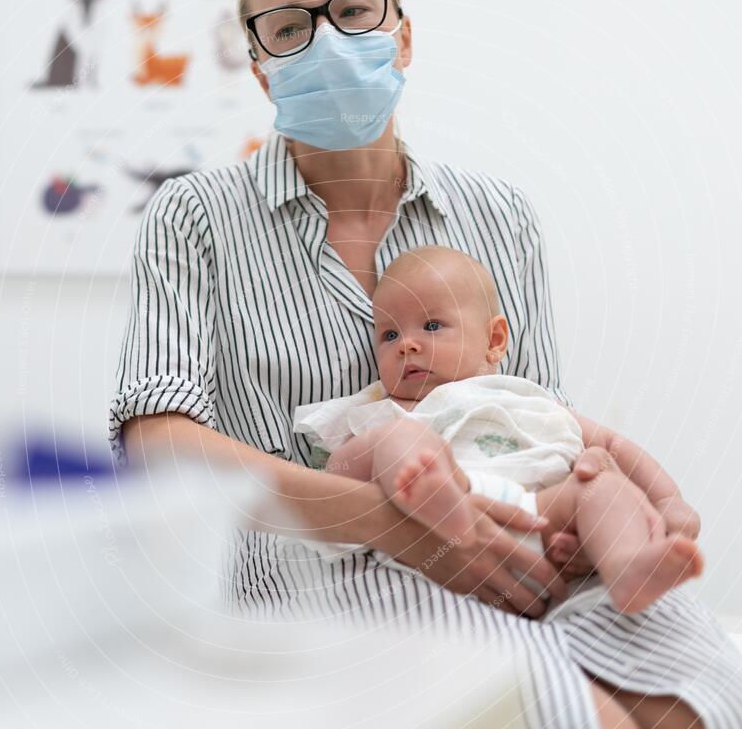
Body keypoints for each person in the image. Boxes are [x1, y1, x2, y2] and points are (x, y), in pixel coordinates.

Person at [110, 0, 742, 729]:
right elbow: (157, 441)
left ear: (402, 31)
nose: (328, 40)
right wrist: (384, 521)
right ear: (260, 63)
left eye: (352, 9)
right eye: (288, 26)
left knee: (706, 719)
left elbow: (536, 414)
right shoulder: (194, 216)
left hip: (515, 528)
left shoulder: (501, 215)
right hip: (323, 572)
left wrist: (599, 510)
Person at [292, 245, 704, 615]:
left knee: (605, 489)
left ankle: (628, 567)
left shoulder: (528, 396)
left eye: (432, 326)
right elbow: (335, 475)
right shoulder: (386, 408)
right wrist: (382, 445)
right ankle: (441, 498)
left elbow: (612, 443)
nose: (406, 345)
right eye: (389, 334)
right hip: (436, 532)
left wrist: (668, 500)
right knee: (396, 440)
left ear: (494, 340)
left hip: (544, 514)